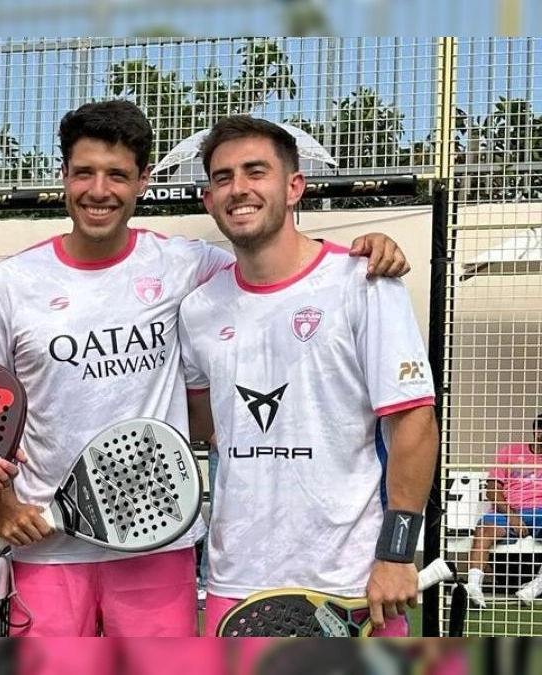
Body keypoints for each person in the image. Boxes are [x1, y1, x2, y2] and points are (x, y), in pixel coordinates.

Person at [0, 100, 411, 647]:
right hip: (47, 550)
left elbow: (282, 264)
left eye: (117, 175)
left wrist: (365, 252)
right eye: (84, 173)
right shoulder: (9, 283)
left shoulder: (189, 266)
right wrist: (3, 506)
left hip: (159, 547)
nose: (99, 190)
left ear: (143, 182)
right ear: (63, 177)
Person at [178, 114, 439, 636]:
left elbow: (415, 423)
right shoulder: (199, 309)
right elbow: (202, 424)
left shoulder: (363, 279)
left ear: (294, 186)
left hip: (353, 582)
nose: (239, 189)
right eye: (223, 177)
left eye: (256, 172)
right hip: (235, 580)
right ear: (209, 199)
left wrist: (396, 553)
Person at [465, 412, 542, 607]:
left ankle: (536, 587)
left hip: (540, 512)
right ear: (535, 431)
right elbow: (492, 489)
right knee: (484, 531)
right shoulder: (511, 452)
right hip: (509, 512)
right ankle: (473, 587)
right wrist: (512, 516)